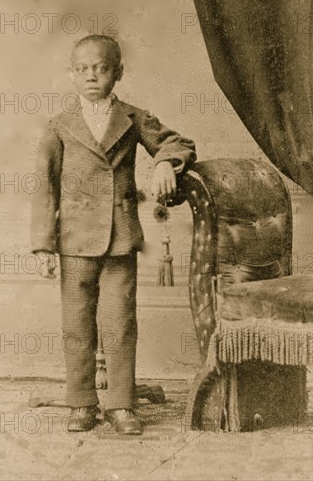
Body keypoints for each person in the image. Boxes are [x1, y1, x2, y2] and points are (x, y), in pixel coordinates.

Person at [31, 34, 196, 434]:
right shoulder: (59, 127)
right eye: (83, 69)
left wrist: (163, 164)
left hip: (121, 236)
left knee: (121, 321)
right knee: (77, 324)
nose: (92, 76)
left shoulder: (134, 118)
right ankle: (82, 403)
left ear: (118, 72)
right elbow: (43, 186)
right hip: (74, 240)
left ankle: (121, 404)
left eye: (102, 68)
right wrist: (42, 245)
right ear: (72, 75)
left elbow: (179, 143)